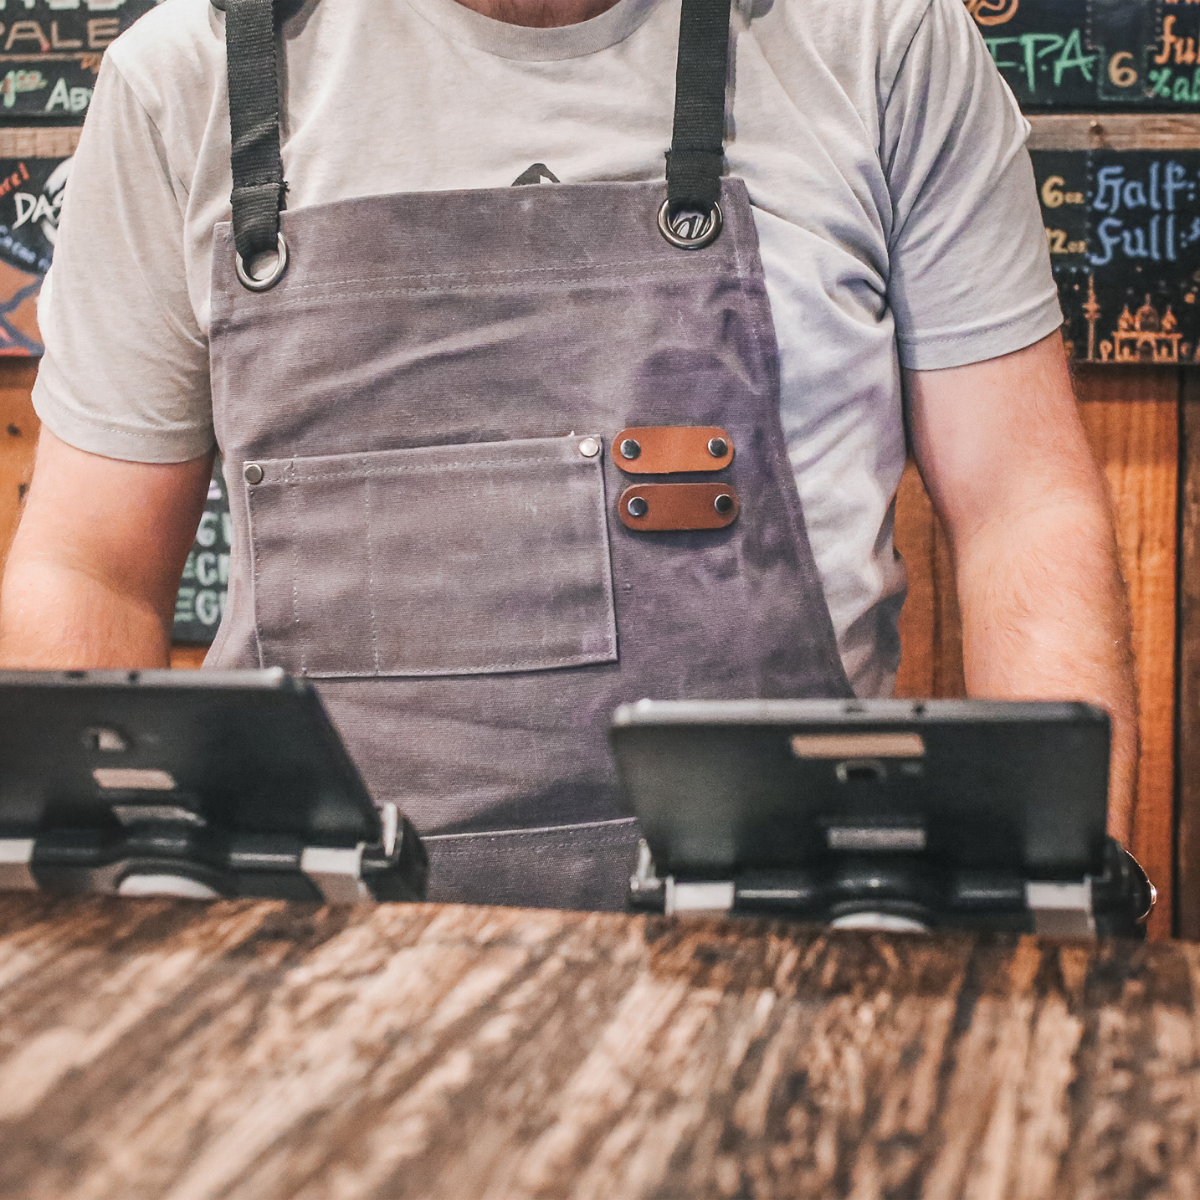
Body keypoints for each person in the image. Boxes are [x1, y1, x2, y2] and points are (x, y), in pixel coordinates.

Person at [0, 0, 1137, 909]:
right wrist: (97, 957)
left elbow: (1021, 510)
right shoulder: (186, 77)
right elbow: (88, 570)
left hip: (786, 957)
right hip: (303, 981)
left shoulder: (880, 40)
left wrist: (1074, 904)